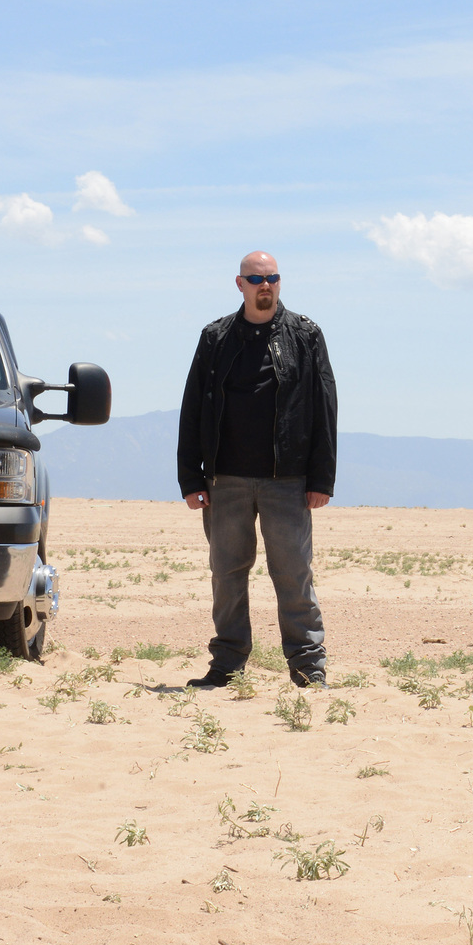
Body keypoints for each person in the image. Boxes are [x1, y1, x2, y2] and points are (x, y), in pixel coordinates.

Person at [176, 250, 338, 690]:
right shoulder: (216, 337)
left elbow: (324, 406)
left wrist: (321, 479)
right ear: (240, 284)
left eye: (272, 278)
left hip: (287, 480)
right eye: (256, 278)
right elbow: (192, 406)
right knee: (227, 574)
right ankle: (226, 665)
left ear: (280, 282)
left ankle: (308, 667)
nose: (265, 285)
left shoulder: (305, 334)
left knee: (293, 573)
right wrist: (191, 477)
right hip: (224, 480)